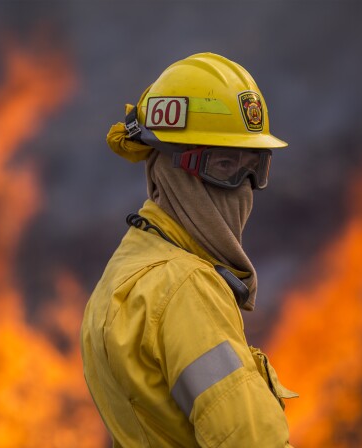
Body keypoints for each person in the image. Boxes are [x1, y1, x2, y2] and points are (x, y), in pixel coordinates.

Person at [81, 52, 297, 447]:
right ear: (165, 167)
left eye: (254, 167)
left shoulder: (123, 275)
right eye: (224, 165)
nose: (244, 186)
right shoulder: (185, 289)